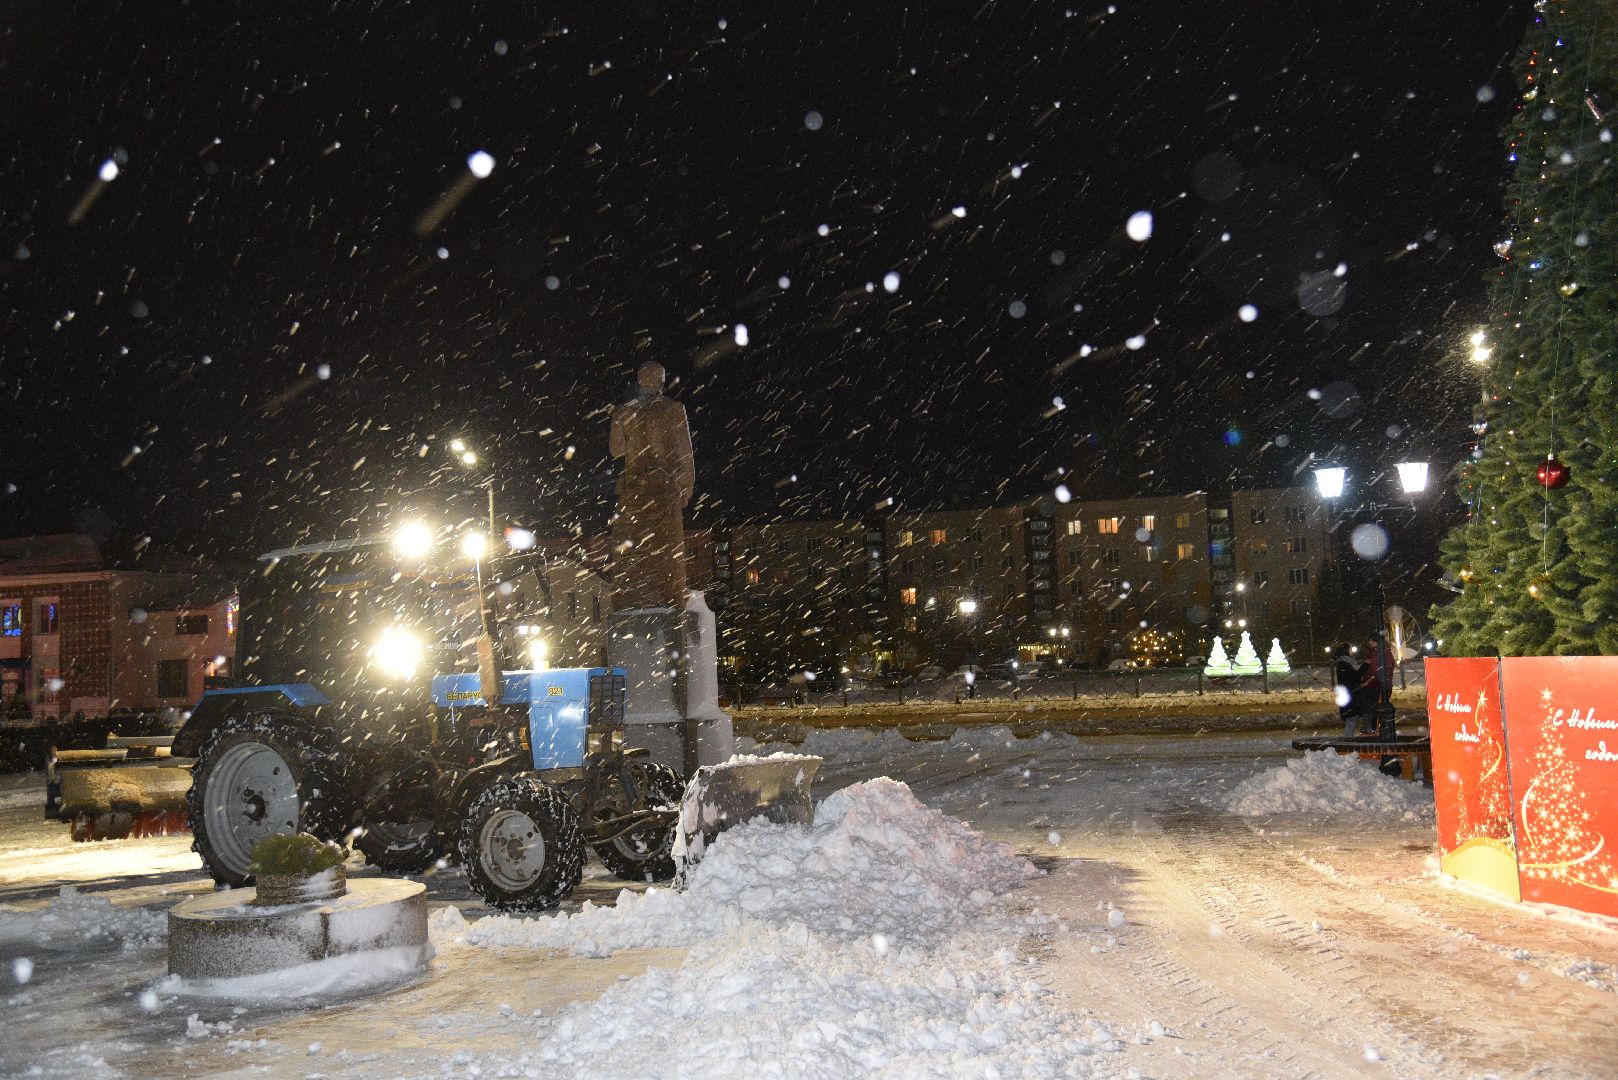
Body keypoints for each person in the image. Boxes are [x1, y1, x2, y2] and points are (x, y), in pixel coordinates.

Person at [1334, 643, 1370, 738]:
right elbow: (1355, 676)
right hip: (1348, 696)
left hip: (1349, 696)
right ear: (1345, 651)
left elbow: (1353, 676)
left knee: (1352, 720)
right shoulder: (1343, 664)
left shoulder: (1346, 663)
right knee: (1351, 721)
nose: (1352, 651)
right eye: (1350, 649)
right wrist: (1366, 665)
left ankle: (1347, 743)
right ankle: (1346, 744)